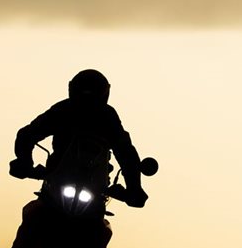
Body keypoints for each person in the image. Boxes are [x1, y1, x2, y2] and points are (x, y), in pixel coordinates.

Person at [9, 68, 148, 207]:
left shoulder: (108, 117)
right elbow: (28, 134)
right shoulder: (62, 110)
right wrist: (24, 162)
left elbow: (126, 152)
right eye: (84, 97)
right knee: (34, 212)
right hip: (56, 183)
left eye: (92, 97)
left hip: (95, 187)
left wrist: (134, 187)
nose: (87, 103)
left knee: (100, 221)